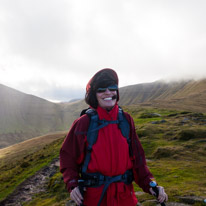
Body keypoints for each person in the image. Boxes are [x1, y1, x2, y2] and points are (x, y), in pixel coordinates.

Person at [60, 68, 168, 206]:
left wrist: (151, 185)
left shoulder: (126, 120)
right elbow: (67, 156)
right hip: (95, 199)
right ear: (94, 95)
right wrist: (72, 184)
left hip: (124, 198)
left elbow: (138, 160)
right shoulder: (83, 123)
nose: (108, 92)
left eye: (112, 88)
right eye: (101, 89)